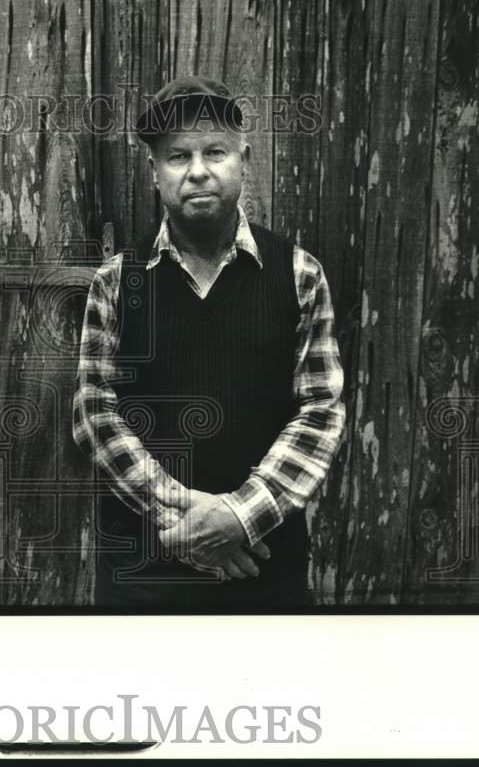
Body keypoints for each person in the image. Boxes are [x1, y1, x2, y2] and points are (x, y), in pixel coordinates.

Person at [72, 75, 345, 609]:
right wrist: (189, 518)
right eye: (177, 157)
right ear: (155, 173)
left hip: (264, 565)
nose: (198, 171)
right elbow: (94, 414)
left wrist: (242, 517)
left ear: (243, 159)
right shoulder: (114, 281)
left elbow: (320, 410)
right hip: (144, 571)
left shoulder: (298, 274)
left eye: (214, 151)